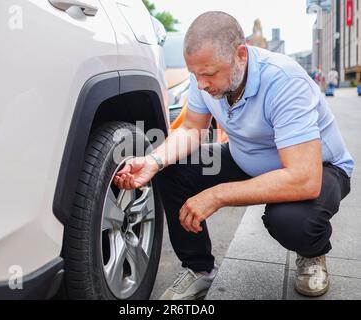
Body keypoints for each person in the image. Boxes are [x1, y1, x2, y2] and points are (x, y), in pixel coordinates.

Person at [113, 11, 354, 300]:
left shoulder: (284, 81)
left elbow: (304, 178)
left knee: (290, 221)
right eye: (196, 75)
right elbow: (191, 128)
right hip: (246, 156)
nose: (201, 84)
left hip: (319, 167)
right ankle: (199, 269)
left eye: (209, 74)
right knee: (171, 169)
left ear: (240, 55)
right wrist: (153, 161)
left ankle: (312, 253)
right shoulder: (205, 75)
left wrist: (217, 194)